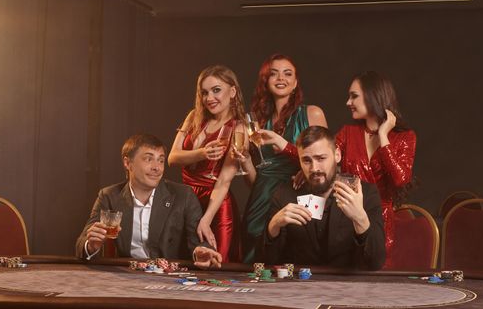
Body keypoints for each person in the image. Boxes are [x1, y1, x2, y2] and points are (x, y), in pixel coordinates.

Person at [75, 134, 222, 269]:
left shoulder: (183, 195)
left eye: (161, 160)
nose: (157, 168)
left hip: (170, 278)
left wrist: (201, 252)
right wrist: (92, 245)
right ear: (127, 163)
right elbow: (82, 244)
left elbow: (199, 242)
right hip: (127, 277)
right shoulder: (109, 196)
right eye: (148, 159)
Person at [239, 53, 328, 263]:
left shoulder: (312, 113)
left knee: (299, 259)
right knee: (256, 257)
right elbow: (255, 180)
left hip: (301, 194)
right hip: (261, 200)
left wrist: (283, 144)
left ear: (295, 82)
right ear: (265, 81)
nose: (281, 78)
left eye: (287, 74)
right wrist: (244, 160)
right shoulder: (256, 121)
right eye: (274, 74)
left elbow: (326, 162)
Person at [259, 126, 385, 269]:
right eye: (306, 160)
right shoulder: (284, 195)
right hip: (300, 287)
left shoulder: (365, 193)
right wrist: (273, 226)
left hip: (348, 287)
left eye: (321, 158)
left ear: (337, 155)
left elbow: (376, 263)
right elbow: (265, 262)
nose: (314, 168)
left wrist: (360, 218)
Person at [336, 71, 417, 268]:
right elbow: (320, 156)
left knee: (375, 283)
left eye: (354, 96)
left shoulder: (405, 137)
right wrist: (284, 146)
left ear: (373, 96)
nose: (348, 102)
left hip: (381, 225)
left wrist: (383, 136)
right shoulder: (348, 133)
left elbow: (401, 179)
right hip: (347, 221)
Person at [168, 65, 246, 262]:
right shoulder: (194, 116)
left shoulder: (240, 128)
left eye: (216, 90)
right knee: (184, 266)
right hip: (185, 200)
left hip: (216, 205)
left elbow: (224, 182)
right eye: (204, 92)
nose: (209, 98)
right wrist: (202, 153)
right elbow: (172, 158)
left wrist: (206, 219)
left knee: (215, 265)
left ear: (233, 91)